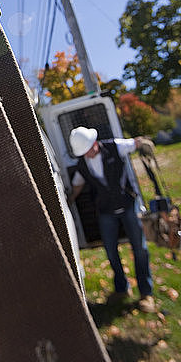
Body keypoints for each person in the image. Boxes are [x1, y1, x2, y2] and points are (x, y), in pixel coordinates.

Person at [68, 126, 155, 313]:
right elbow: (77, 186)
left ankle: (146, 293)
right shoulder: (82, 165)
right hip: (106, 211)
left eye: (88, 150)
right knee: (110, 250)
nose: (87, 155)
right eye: (82, 153)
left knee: (139, 248)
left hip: (127, 205)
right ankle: (122, 288)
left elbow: (136, 142)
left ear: (94, 143)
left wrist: (144, 143)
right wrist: (68, 201)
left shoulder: (115, 146)